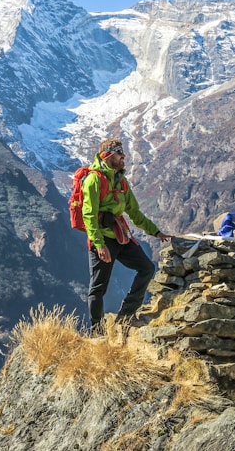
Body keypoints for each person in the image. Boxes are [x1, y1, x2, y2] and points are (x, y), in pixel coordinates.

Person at [81, 139, 171, 331]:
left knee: (147, 268)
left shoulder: (121, 181)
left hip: (120, 236)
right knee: (98, 287)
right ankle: (97, 331)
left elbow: (134, 212)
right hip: (103, 239)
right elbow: (89, 215)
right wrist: (99, 244)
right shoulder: (93, 180)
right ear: (107, 155)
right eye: (119, 153)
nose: (123, 156)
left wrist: (155, 231)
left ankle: (126, 315)